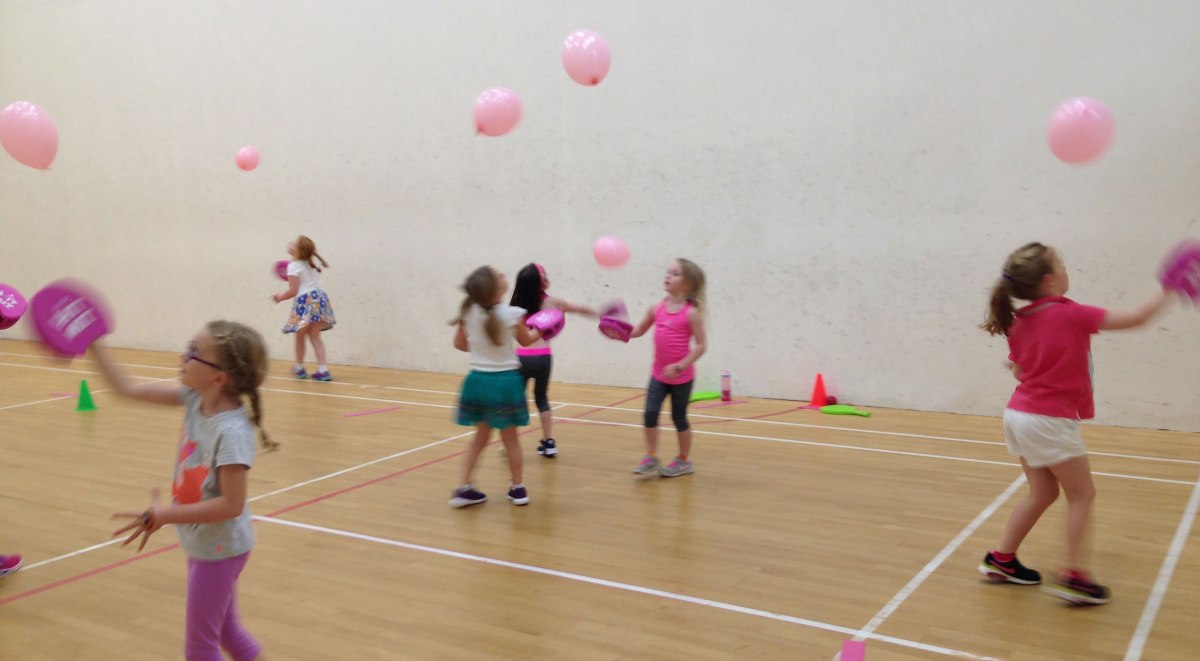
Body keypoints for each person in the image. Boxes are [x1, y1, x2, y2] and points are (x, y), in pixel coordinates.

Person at [978, 242, 1172, 605]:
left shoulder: (1018, 321)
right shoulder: (1072, 314)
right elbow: (1137, 318)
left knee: (1042, 493)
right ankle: (1075, 577)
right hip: (1047, 420)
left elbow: (1019, 371)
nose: (1067, 271)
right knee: (1082, 494)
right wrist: (1169, 287)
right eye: (1062, 266)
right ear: (1049, 280)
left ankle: (1001, 559)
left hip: (1018, 416)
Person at [97, 320, 274, 659]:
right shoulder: (195, 398)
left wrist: (166, 514)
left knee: (200, 648)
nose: (183, 356)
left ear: (218, 378)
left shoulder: (231, 432)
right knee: (227, 632)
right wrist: (93, 341)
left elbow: (231, 505)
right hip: (208, 544)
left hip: (220, 550)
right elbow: (126, 388)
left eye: (194, 352)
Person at [448, 266, 543, 507]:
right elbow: (527, 341)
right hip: (505, 383)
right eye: (500, 275)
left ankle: (463, 488)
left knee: (479, 437)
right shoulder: (512, 314)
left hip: (478, 381)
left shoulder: (469, 312)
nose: (503, 275)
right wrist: (544, 328)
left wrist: (482, 350)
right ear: (495, 290)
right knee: (510, 440)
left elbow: (459, 344)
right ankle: (518, 488)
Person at [628, 259, 708, 478]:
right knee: (650, 414)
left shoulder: (692, 313)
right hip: (658, 375)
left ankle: (684, 460)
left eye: (675, 273)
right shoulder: (656, 308)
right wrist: (620, 330)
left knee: (679, 418)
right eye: (668, 272)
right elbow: (639, 329)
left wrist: (680, 366)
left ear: (688, 284)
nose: (668, 276)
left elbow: (701, 345)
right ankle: (651, 456)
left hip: (682, 378)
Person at [508, 263, 597, 458]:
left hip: (521, 358)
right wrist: (601, 313)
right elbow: (579, 309)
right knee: (541, 398)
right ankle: (548, 442)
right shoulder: (553, 303)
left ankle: (510, 442)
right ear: (540, 282)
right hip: (543, 358)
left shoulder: (514, 307)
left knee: (516, 399)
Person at [273, 235, 335, 381]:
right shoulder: (310, 263)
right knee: (315, 337)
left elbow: (293, 291)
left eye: (293, 243)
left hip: (305, 301)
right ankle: (323, 370)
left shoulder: (293, 266)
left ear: (298, 249)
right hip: (321, 299)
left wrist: (280, 297)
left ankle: (300, 368)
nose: (290, 243)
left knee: (300, 337)